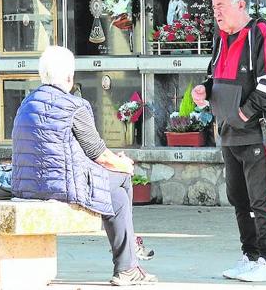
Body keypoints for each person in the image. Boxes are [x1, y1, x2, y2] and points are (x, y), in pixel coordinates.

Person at [11, 46, 157, 286]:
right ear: (69, 77)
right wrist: (123, 163)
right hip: (62, 188)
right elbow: (98, 154)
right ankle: (128, 262)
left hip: (26, 188)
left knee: (117, 197)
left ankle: (128, 263)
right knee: (122, 179)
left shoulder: (26, 104)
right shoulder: (74, 105)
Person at [192, 0, 266, 282]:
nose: (215, 11)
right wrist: (204, 90)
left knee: (262, 199)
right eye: (214, 6)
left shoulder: (261, 33)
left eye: (221, 6)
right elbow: (214, 75)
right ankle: (250, 256)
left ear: (241, 5)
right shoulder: (221, 38)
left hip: (257, 133)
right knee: (239, 200)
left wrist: (245, 112)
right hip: (230, 134)